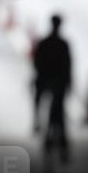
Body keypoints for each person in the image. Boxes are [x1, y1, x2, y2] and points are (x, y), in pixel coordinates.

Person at [33, 14, 72, 163]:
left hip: (46, 80)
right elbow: (68, 66)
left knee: (38, 96)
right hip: (58, 82)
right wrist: (68, 84)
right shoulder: (63, 44)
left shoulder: (44, 42)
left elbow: (37, 63)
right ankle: (63, 145)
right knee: (60, 112)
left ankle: (36, 119)